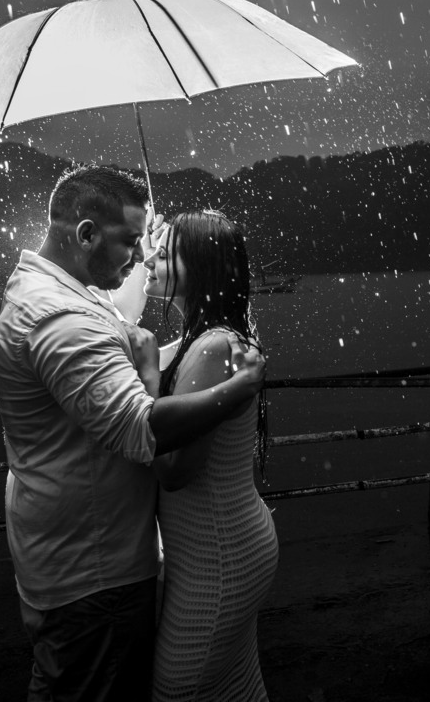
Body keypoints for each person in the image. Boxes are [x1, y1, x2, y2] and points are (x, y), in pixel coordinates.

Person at [0, 165, 266, 702]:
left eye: (150, 247)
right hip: (92, 570)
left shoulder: (71, 292)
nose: (141, 256)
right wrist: (238, 388)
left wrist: (142, 246)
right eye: (130, 243)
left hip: (86, 556)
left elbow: (121, 326)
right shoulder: (61, 319)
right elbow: (142, 427)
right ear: (86, 234)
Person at [131, 210, 278, 701]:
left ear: (198, 268)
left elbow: (176, 471)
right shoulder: (212, 338)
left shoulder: (213, 346)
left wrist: (147, 380)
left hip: (220, 555)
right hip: (227, 542)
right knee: (235, 687)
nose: (148, 260)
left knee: (179, 689)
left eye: (163, 255)